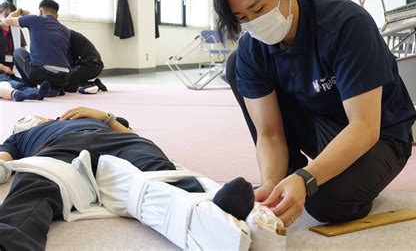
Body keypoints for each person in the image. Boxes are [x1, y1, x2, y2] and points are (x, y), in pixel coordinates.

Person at [213, 0, 416, 227]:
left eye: (257, 9)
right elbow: (270, 133)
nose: (254, 24)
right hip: (318, 120)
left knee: (326, 202)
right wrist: (273, 182)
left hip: (381, 134)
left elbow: (364, 126)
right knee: (237, 64)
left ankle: (321, 178)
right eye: (242, 19)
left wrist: (307, 178)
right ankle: (292, 178)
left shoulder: (347, 24)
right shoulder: (253, 48)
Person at [0, 107, 260, 250]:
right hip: (57, 148)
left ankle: (212, 208)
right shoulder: (20, 138)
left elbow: (130, 132)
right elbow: (4, 163)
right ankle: (9, 241)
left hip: (119, 140)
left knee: (157, 167)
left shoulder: (76, 115)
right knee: (36, 181)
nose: (29, 119)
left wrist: (105, 116)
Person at [2, 0, 71, 92]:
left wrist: (19, 11)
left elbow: (7, 21)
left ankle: (32, 88)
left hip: (41, 73)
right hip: (64, 76)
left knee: (18, 52)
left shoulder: (34, 20)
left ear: (40, 11)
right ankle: (54, 89)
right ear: (57, 15)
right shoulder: (65, 30)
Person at [0, 2, 27, 80]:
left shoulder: (17, 31)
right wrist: (3, 68)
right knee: (7, 82)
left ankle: (33, 91)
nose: (8, 19)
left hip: (15, 69)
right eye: (6, 15)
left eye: (11, 16)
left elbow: (22, 53)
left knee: (26, 82)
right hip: (2, 69)